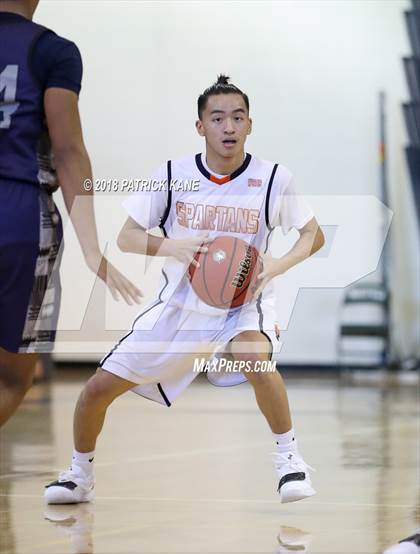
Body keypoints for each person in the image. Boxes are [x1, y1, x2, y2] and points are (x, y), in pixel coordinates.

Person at [44, 75, 325, 505]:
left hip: (242, 305)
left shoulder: (273, 179)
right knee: (96, 389)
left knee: (254, 357)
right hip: (180, 306)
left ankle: (290, 460)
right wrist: (171, 245)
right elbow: (128, 237)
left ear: (250, 124)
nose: (228, 127)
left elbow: (313, 235)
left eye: (237, 118)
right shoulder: (173, 174)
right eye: (217, 118)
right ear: (200, 127)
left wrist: (277, 264)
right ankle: (79, 474)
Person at [0, 0, 142, 428]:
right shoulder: (50, 49)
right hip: (18, 213)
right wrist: (91, 247)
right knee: (10, 378)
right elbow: (68, 150)